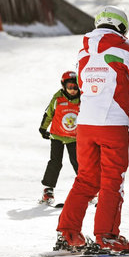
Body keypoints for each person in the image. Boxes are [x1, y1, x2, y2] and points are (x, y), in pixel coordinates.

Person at [55, 5, 129, 253]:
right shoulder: (123, 48)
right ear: (122, 27)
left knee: (85, 179)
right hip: (112, 124)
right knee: (111, 182)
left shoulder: (83, 50)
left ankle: (68, 232)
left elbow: (84, 82)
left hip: (85, 124)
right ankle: (108, 235)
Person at [39, 71, 80, 205]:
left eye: (75, 87)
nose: (73, 90)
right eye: (70, 87)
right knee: (55, 163)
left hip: (74, 138)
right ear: (63, 86)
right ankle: (48, 190)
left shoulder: (82, 100)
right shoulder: (57, 99)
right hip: (57, 136)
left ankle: (88, 190)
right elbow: (49, 114)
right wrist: (43, 128)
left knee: (79, 163)